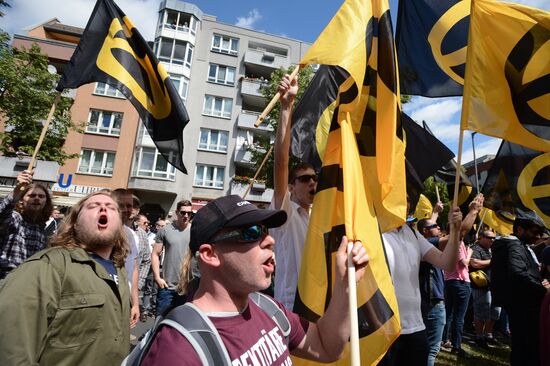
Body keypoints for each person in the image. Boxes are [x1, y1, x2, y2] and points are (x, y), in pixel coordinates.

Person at [140, 195, 368, 365]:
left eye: (266, 231)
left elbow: (326, 347)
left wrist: (345, 286)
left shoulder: (268, 307)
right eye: (251, 232)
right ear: (210, 255)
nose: (270, 241)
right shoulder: (178, 348)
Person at [0, 191, 131, 365]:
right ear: (75, 224)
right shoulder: (47, 267)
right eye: (93, 206)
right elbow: (13, 351)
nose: (103, 209)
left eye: (111, 208)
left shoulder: (119, 269)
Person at [379, 196, 463, 366]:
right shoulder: (373, 230)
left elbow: (446, 262)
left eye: (408, 198)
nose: (406, 201)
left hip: (416, 327)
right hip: (383, 330)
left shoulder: (413, 233)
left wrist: (455, 231)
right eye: (399, 194)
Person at [270, 73, 318, 309]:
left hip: (318, 305)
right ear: (290, 187)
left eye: (315, 178)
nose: (313, 183)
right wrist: (287, 107)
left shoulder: (317, 215)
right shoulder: (285, 211)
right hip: (291, 308)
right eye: (305, 179)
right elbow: (281, 163)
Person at [491, 209, 550, 366]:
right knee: (526, 348)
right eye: (535, 232)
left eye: (540, 233)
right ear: (519, 229)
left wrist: (540, 282)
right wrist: (543, 289)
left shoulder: (519, 245)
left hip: (522, 304)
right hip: (524, 306)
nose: (538, 237)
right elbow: (518, 274)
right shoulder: (514, 246)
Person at [441, 194, 484, 357]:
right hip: (459, 282)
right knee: (459, 316)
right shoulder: (456, 242)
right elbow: (463, 263)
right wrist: (470, 252)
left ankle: (445, 340)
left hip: (450, 281)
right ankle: (456, 345)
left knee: (450, 314)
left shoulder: (452, 242)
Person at [0, 169, 53, 282]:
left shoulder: (41, 228)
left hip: (27, 282)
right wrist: (18, 189)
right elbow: (2, 213)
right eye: (32, 195)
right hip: (5, 279)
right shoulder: (15, 218)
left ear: (46, 202)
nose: (37, 198)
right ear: (21, 200)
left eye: (41, 196)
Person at [151, 200, 197, 315]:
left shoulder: (195, 231)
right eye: (183, 212)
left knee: (181, 325)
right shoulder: (165, 230)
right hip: (167, 286)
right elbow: (155, 254)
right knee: (160, 322)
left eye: (189, 213)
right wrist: (157, 277)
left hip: (187, 287)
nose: (186, 216)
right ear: (177, 212)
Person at [111, 189, 140, 328]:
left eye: (130, 206)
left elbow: (134, 269)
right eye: (122, 205)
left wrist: (135, 303)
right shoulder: (102, 231)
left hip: (125, 297)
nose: (127, 209)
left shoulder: (132, 235)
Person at [469, 229, 501, 348]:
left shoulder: (493, 250)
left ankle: (488, 334)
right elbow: (475, 263)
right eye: (489, 237)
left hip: (495, 285)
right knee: (481, 312)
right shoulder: (475, 248)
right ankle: (479, 337)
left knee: (495, 312)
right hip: (481, 285)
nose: (492, 240)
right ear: (481, 237)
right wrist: (493, 261)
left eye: (494, 237)